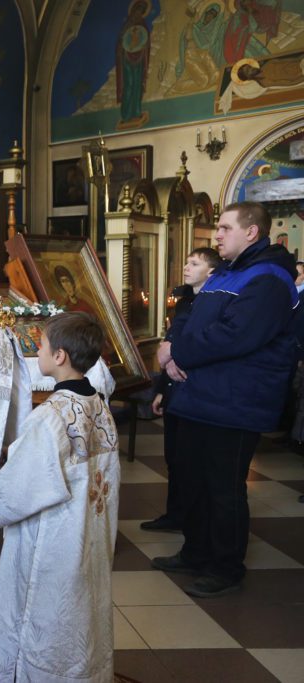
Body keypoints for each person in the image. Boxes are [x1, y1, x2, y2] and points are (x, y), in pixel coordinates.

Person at [154, 202, 298, 597]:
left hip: (235, 401)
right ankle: (196, 552)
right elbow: (193, 320)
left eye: (224, 228)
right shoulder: (228, 272)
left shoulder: (268, 278)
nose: (216, 235)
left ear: (251, 232)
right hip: (202, 395)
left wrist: (177, 352)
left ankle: (225, 567)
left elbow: (235, 336)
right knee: (194, 479)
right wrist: (173, 354)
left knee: (223, 487)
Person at [0, 312, 119, 683]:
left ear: (59, 356)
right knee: (80, 611)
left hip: (51, 541)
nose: (37, 352)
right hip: (89, 535)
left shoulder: (51, 417)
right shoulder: (101, 407)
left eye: (40, 346)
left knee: (43, 616)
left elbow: (21, 488)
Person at [141, 247, 221, 533]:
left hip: (196, 389)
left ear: (211, 272)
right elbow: (171, 342)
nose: (186, 267)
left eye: (194, 263)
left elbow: (203, 345)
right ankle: (175, 514)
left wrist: (177, 357)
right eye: (186, 262)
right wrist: (162, 390)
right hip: (174, 389)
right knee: (174, 458)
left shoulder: (215, 303)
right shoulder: (184, 301)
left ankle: (194, 519)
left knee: (192, 461)